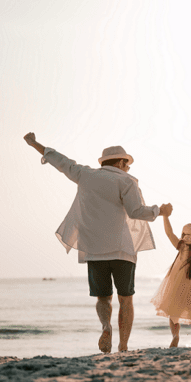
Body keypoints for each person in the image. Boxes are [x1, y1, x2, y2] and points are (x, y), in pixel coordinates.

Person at [23, 132, 172, 354]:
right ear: (121, 162)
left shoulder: (85, 174)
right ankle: (122, 346)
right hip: (122, 249)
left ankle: (105, 326)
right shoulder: (126, 181)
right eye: (127, 164)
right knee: (125, 299)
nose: (128, 169)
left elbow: (61, 162)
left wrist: (35, 144)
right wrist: (159, 210)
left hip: (93, 249)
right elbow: (135, 211)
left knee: (103, 297)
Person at [151, 220, 191, 347]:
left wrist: (166, 217)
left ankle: (175, 336)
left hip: (178, 286)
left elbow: (169, 233)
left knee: (173, 314)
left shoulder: (182, 248)